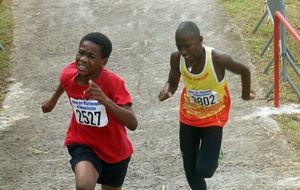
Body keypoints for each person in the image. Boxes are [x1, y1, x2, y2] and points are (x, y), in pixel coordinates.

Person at [158, 21, 255, 190]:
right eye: (179, 46)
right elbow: (172, 82)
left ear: (201, 40)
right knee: (190, 169)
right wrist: (167, 91)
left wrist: (246, 94)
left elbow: (244, 71)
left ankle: (214, 153)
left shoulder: (218, 59)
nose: (183, 52)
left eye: (187, 46)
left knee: (204, 169)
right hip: (189, 115)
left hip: (214, 116)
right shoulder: (176, 58)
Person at [41, 32, 138, 190]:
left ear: (103, 62)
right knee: (84, 186)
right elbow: (65, 82)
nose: (83, 59)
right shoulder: (68, 75)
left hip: (115, 151)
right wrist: (53, 100)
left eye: (91, 56)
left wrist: (105, 100)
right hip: (82, 144)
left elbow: (133, 123)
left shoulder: (113, 83)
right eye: (81, 53)